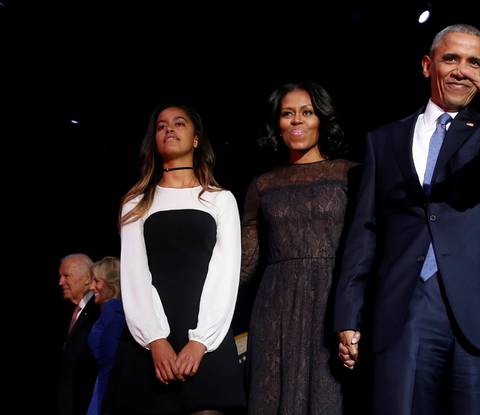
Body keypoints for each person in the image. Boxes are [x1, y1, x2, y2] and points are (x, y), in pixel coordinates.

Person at [334, 22, 480, 415]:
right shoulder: (384, 140)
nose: (462, 70)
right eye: (452, 59)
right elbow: (364, 231)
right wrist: (348, 314)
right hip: (405, 306)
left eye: (474, 62)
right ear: (428, 66)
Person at [110, 103, 245, 414]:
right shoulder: (136, 202)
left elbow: (225, 274)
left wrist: (201, 342)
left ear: (196, 139)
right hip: (147, 344)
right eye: (161, 126)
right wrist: (155, 340)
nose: (169, 128)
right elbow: (134, 275)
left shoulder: (220, 199)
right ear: (154, 141)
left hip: (207, 338)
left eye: (179, 123)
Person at [241, 81, 359, 414]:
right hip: (274, 309)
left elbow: (366, 251)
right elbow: (245, 263)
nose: (297, 121)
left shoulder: (350, 175)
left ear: (321, 119)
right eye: (287, 114)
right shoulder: (262, 185)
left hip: (333, 304)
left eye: (306, 112)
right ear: (277, 124)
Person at [58, 253, 100, 415]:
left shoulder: (97, 310)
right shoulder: (77, 311)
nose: (60, 282)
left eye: (66, 276)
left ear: (87, 279)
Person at [86, 256, 125, 415]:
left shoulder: (113, 311)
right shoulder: (109, 311)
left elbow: (110, 358)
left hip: (108, 388)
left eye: (97, 281)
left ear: (111, 283)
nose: (92, 287)